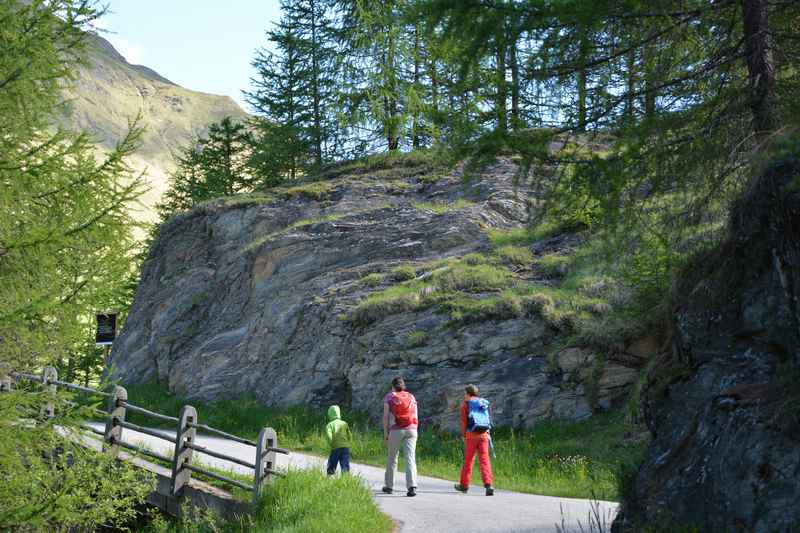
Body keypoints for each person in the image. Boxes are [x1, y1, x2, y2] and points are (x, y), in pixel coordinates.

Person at [454, 384, 494, 496]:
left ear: (468, 394)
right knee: (484, 460)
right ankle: (489, 485)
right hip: (484, 435)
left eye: (465, 394)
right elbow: (489, 419)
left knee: (469, 461)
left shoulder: (466, 405)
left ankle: (464, 485)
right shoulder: (483, 403)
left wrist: (463, 435)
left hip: (471, 436)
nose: (464, 396)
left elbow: (463, 422)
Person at [382, 376, 419, 497]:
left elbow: (386, 416)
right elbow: (415, 414)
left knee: (392, 458)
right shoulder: (411, 396)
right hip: (412, 429)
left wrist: (386, 433)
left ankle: (389, 486)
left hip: (396, 430)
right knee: (410, 458)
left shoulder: (390, 396)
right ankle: (412, 487)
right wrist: (414, 428)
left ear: (393, 386)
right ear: (403, 386)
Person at [325, 404, 352, 476]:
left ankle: (330, 476)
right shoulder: (344, 423)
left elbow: (329, 435)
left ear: (329, 414)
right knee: (345, 463)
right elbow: (349, 435)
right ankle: (345, 478)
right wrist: (348, 443)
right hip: (345, 447)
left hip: (336, 447)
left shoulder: (330, 425)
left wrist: (331, 443)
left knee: (332, 462)